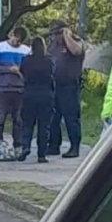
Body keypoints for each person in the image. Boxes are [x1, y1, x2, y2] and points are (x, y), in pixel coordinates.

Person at [0, 26, 31, 151]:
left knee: (18, 119)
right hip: (3, 88)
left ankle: (18, 144)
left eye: (19, 41)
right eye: (15, 39)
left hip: (19, 89)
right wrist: (8, 70)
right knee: (0, 118)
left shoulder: (26, 51)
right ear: (11, 35)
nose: (16, 43)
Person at [47, 20, 85, 158]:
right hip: (54, 85)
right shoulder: (52, 45)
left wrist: (67, 36)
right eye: (53, 33)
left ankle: (74, 147)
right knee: (53, 118)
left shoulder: (75, 41)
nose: (54, 36)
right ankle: (53, 145)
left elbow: (76, 51)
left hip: (70, 86)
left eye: (57, 33)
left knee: (71, 117)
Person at [19, 36, 55, 163]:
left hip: (29, 94)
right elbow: (52, 75)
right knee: (44, 126)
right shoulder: (49, 61)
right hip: (46, 95)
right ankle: (41, 154)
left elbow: (22, 72)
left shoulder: (26, 60)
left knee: (27, 124)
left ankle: (26, 146)